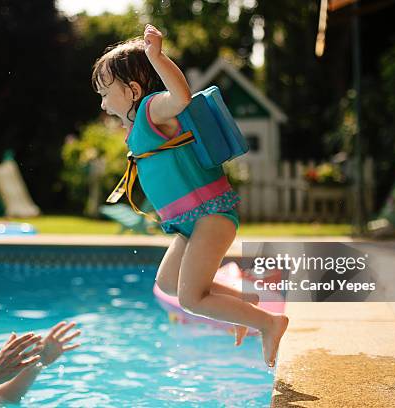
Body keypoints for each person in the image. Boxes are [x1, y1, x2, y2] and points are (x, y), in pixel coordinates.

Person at [92, 24, 289, 367]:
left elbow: (181, 96)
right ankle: (246, 304)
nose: (103, 102)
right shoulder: (138, 126)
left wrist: (156, 56)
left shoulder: (153, 109)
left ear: (133, 90)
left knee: (191, 299)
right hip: (190, 223)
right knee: (168, 283)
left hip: (210, 215)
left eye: (107, 93)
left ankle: (269, 323)